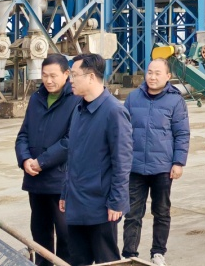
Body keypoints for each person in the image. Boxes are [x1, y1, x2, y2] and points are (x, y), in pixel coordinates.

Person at [60, 53, 132, 265]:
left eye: (74, 75)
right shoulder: (78, 109)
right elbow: (73, 156)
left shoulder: (114, 112)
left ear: (91, 77)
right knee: (77, 259)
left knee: (106, 260)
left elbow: (122, 162)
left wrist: (117, 202)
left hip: (101, 206)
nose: (70, 80)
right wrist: (65, 192)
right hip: (76, 201)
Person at [123, 56, 190, 266]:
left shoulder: (175, 101)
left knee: (161, 212)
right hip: (135, 167)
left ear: (168, 76)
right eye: (149, 72)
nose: (152, 77)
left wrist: (178, 162)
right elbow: (122, 131)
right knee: (132, 214)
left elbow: (182, 134)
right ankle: (129, 254)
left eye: (157, 73)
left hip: (162, 167)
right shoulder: (133, 98)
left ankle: (158, 252)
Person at [15, 53, 79, 264]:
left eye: (53, 76)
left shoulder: (75, 100)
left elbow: (70, 141)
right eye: (44, 75)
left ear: (66, 74)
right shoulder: (36, 98)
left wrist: (41, 162)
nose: (48, 80)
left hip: (60, 181)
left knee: (66, 235)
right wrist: (25, 159)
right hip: (35, 181)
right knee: (40, 235)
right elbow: (23, 134)